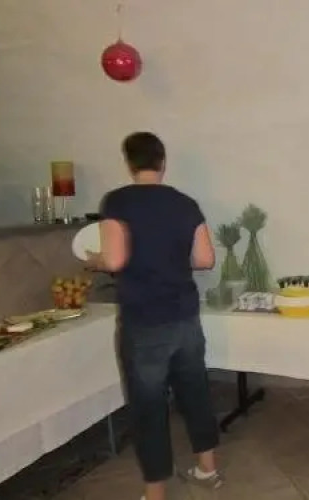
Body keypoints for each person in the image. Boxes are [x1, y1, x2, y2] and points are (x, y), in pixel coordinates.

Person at [87, 132, 221, 500]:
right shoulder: (185, 203)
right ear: (163, 162)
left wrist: (95, 260)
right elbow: (205, 259)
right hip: (185, 316)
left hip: (144, 320)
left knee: (148, 407)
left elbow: (114, 260)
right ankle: (208, 469)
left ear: (130, 164)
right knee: (195, 391)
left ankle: (156, 493)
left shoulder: (117, 201)